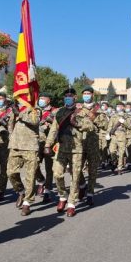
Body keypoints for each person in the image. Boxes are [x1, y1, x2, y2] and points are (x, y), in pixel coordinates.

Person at [45, 88, 83, 217]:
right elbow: (53, 129)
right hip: (61, 147)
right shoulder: (60, 112)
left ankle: (71, 204)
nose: (68, 97)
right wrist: (47, 144)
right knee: (57, 173)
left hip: (76, 148)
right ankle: (63, 196)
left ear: (75, 97)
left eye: (70, 95)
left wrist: (76, 123)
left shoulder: (80, 111)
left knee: (75, 177)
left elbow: (89, 125)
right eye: (66, 96)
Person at [6, 101, 40, 216]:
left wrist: (20, 114)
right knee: (11, 173)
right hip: (15, 146)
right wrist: (11, 136)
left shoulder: (35, 109)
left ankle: (27, 203)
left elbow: (35, 121)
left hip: (30, 146)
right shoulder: (15, 109)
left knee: (30, 176)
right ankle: (21, 191)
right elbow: (10, 124)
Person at [77, 86, 108, 205]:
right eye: (84, 93)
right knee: (76, 168)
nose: (86, 95)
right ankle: (82, 185)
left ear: (92, 95)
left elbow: (105, 125)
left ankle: (90, 193)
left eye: (88, 93)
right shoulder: (77, 108)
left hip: (93, 142)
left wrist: (94, 118)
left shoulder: (98, 109)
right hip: (79, 142)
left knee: (92, 170)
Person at [35, 93, 57, 203]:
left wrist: (51, 120)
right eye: (40, 98)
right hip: (36, 143)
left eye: (44, 99)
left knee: (49, 169)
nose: (41, 100)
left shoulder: (54, 111)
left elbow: (59, 124)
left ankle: (47, 191)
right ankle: (41, 180)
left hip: (49, 144)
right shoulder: (35, 110)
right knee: (33, 165)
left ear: (49, 100)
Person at [107, 101, 131, 175]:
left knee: (121, 153)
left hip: (122, 136)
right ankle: (114, 161)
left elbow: (130, 127)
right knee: (112, 151)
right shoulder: (113, 116)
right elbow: (110, 126)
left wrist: (124, 121)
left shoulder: (126, 116)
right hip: (114, 136)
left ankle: (119, 168)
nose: (118, 107)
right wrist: (108, 134)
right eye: (117, 106)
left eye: (120, 106)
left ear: (123, 107)